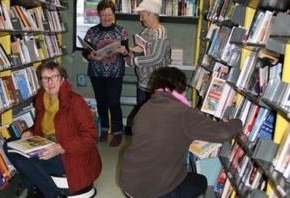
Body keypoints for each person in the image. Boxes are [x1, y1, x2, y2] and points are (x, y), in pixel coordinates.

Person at [119, 67, 243, 198]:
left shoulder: (145, 108)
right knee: (201, 182)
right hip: (153, 190)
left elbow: (161, 134)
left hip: (129, 182)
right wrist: (238, 121)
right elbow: (223, 133)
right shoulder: (183, 112)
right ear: (181, 89)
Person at [4, 61, 102, 198]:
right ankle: (36, 188)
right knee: (8, 144)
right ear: (41, 81)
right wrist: (31, 131)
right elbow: (40, 125)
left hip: (70, 153)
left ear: (62, 79)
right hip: (44, 144)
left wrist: (60, 147)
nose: (50, 82)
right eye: (45, 78)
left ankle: (53, 194)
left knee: (23, 162)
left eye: (54, 77)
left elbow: (91, 134)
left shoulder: (76, 101)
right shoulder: (41, 98)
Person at [82, 0, 129, 147]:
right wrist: (91, 56)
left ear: (113, 14)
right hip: (97, 72)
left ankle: (117, 132)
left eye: (109, 15)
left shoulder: (121, 31)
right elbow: (85, 51)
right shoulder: (92, 31)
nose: (106, 18)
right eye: (103, 15)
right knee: (101, 102)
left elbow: (126, 53)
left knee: (114, 103)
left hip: (115, 73)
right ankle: (104, 129)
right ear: (99, 15)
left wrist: (124, 51)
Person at [127, 0, 171, 106]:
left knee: (153, 118)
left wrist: (134, 60)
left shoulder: (160, 32)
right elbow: (142, 50)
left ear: (150, 14)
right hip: (142, 84)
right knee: (143, 116)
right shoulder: (146, 31)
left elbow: (156, 57)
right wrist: (131, 52)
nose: (140, 19)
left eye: (142, 15)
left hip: (155, 87)